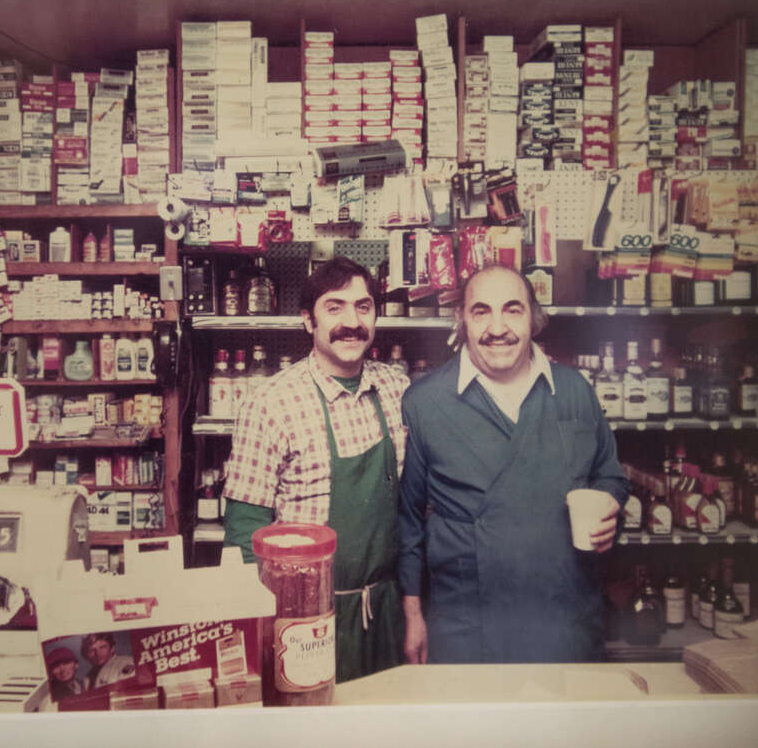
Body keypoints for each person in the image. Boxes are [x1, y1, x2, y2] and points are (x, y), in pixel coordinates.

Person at [398, 264, 629, 664]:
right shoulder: (425, 402)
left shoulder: (574, 390)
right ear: (463, 320)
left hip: (564, 616)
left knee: (562, 727)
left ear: (533, 318)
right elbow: (408, 523)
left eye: (512, 309)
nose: (497, 327)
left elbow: (610, 475)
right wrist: (413, 615)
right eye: (481, 311)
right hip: (468, 627)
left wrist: (610, 503)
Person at [223, 256, 409, 682]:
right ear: (308, 321)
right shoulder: (271, 404)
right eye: (334, 307)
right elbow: (243, 533)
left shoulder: (399, 390)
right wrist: (264, 629)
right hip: (303, 621)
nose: (352, 321)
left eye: (363, 306)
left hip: (386, 608)